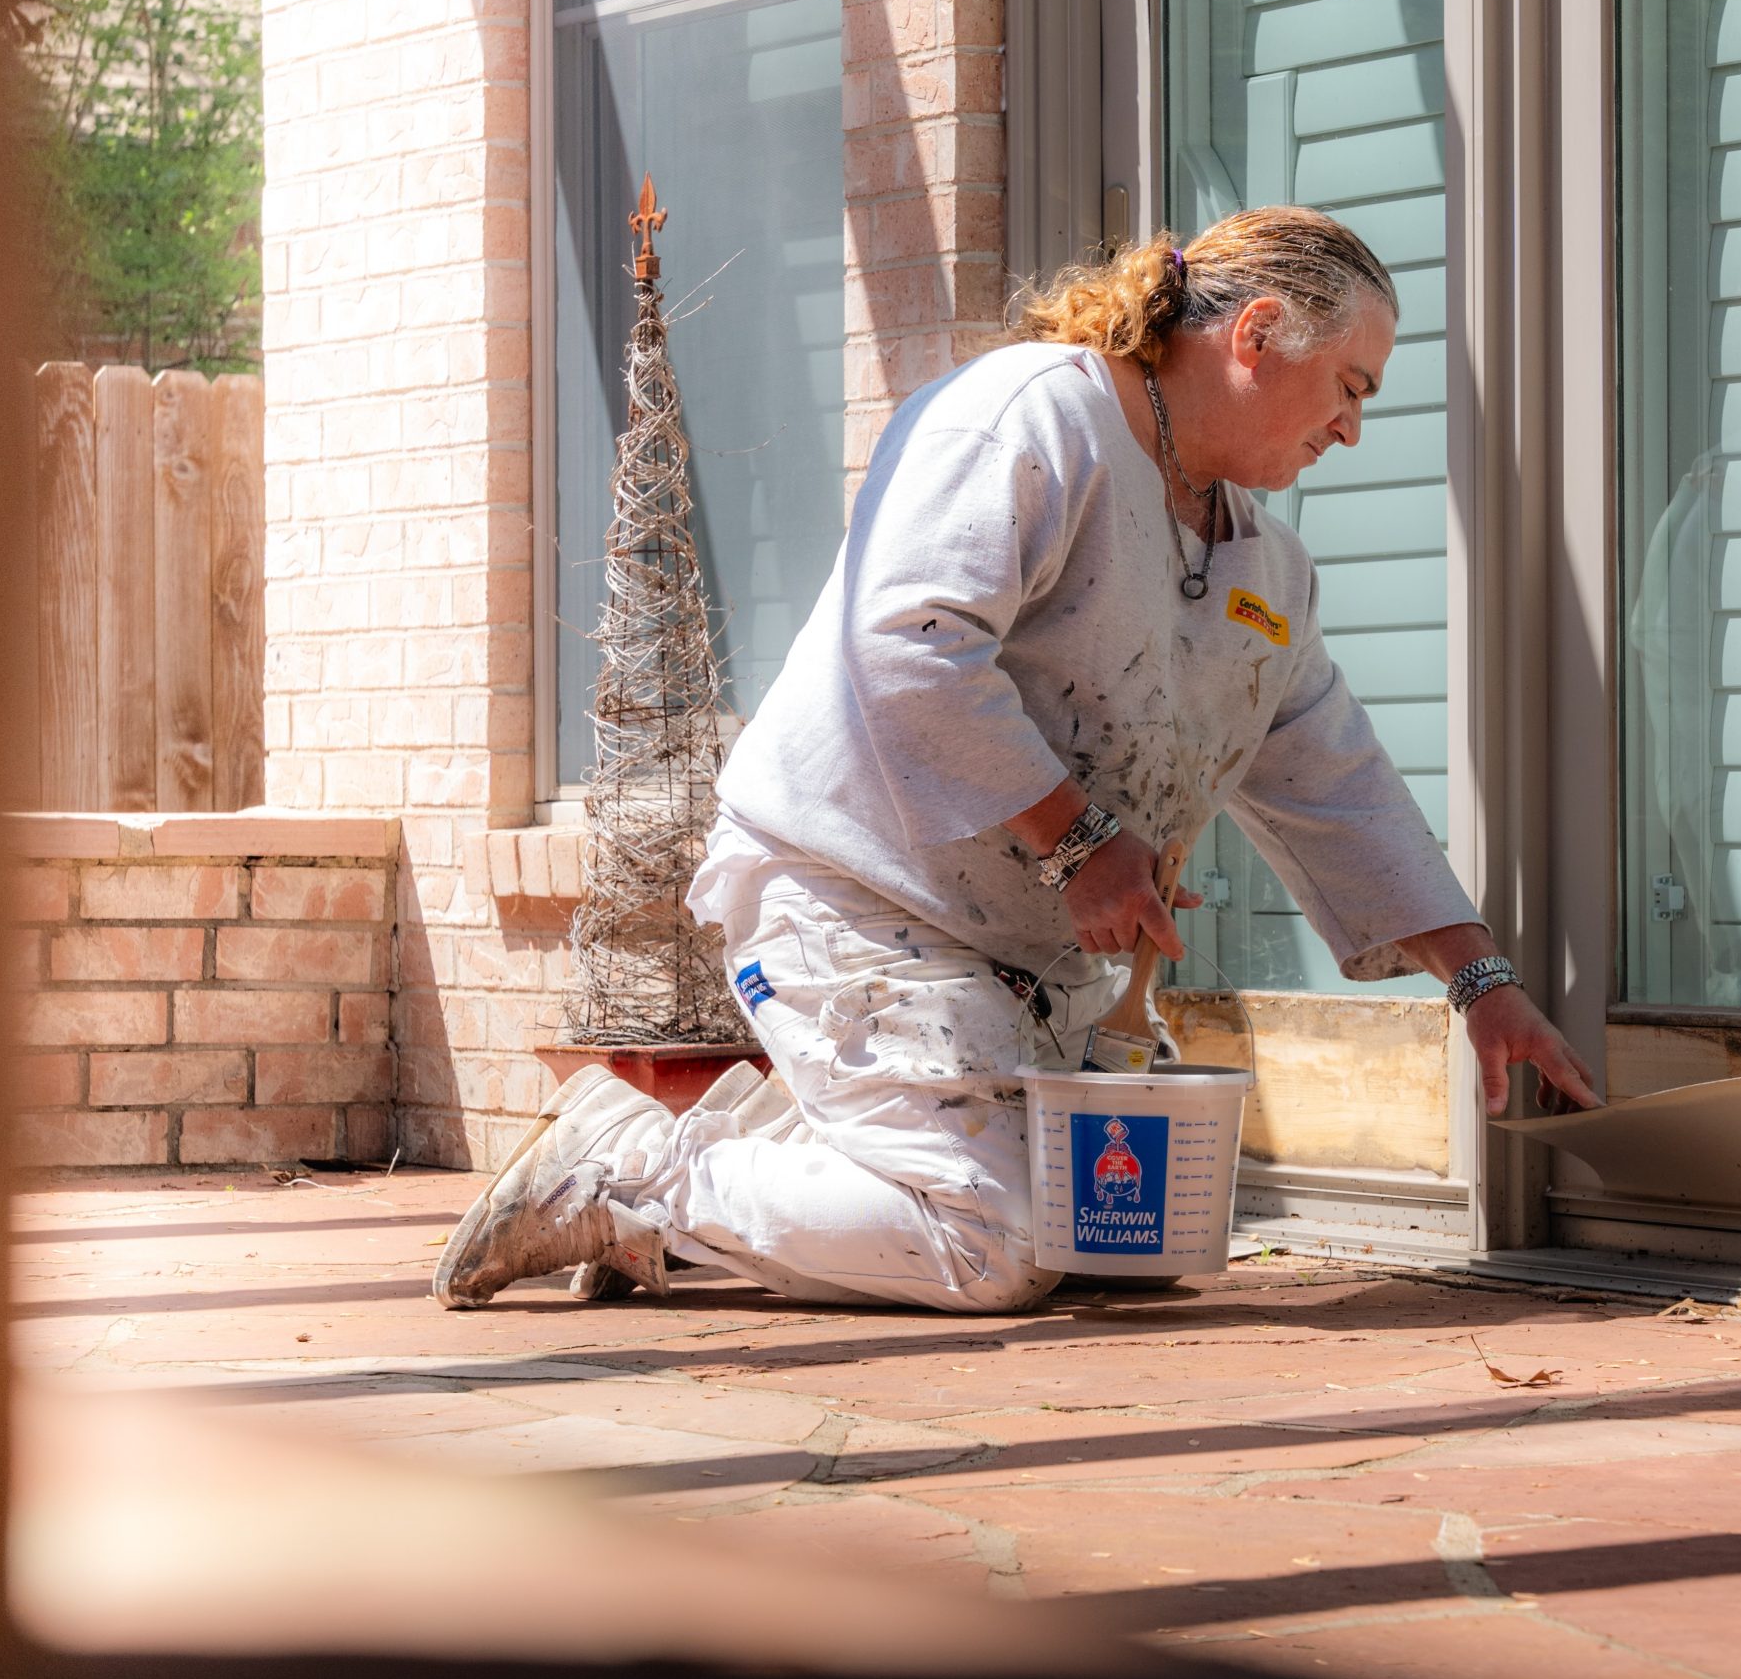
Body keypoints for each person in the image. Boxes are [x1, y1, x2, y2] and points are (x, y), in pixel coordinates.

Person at [433, 209, 1598, 1317]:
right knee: (996, 1241)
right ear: (1255, 335)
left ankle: (772, 1160)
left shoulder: (1265, 569)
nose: (1350, 428)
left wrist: (1480, 983)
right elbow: (906, 641)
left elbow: (1333, 780)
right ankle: (631, 1169)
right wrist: (1081, 842)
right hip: (850, 892)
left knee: (1110, 1241)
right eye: (1349, 385)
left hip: (1017, 955)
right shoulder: (1029, 417)